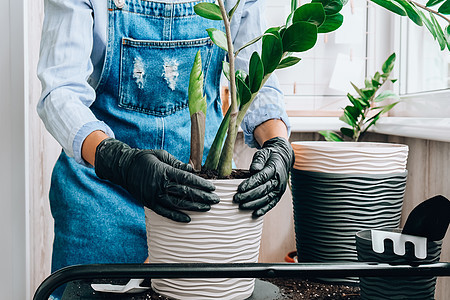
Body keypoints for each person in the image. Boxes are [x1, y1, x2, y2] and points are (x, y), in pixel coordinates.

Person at [37, 0, 293, 298]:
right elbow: (60, 91)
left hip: (199, 198)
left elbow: (257, 75)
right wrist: (119, 160)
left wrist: (277, 144)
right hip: (103, 197)